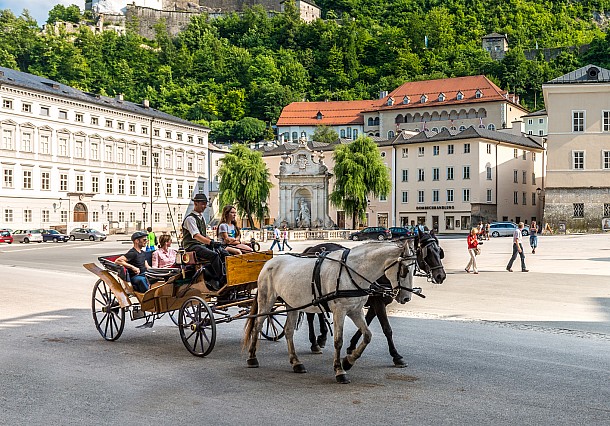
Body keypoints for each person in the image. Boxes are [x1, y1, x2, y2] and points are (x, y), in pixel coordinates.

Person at [181, 193, 226, 290]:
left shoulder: (201, 218)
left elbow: (203, 234)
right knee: (214, 255)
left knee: (223, 251)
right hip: (192, 246)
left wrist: (213, 241)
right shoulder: (190, 219)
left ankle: (222, 274)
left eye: (205, 204)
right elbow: (196, 235)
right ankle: (222, 279)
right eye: (202, 204)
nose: (205, 206)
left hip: (201, 245)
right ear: (195, 203)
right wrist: (210, 243)